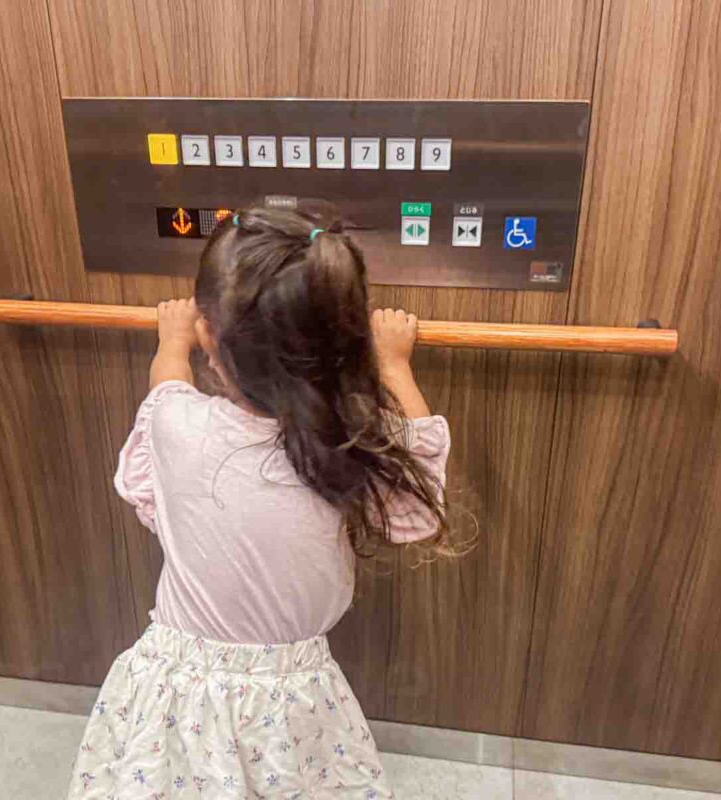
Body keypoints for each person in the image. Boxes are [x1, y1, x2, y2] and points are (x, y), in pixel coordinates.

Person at [68, 205, 465, 799]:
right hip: (293, 696)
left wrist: (172, 342)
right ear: (346, 340)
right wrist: (395, 365)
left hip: (176, 692)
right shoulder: (349, 443)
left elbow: (166, 387)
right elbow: (417, 499)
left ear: (209, 335)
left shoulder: (178, 425)